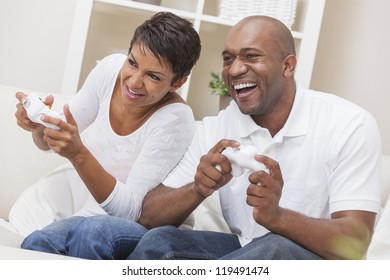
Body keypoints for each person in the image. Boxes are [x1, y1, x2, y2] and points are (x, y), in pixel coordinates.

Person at [124, 15, 382, 260]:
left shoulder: (349, 124)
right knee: (161, 241)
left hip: (312, 260)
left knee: (276, 247)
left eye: (251, 56)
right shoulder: (217, 128)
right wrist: (198, 188)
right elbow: (149, 218)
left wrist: (277, 217)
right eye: (228, 59)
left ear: (287, 65)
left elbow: (355, 243)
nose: (234, 70)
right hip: (243, 251)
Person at [14, 11, 201, 259]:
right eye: (132, 62)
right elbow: (52, 140)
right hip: (92, 218)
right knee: (37, 244)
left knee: (89, 235)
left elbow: (132, 212)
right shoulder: (109, 71)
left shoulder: (174, 119)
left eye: (153, 76)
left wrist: (79, 154)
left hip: (145, 229)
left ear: (177, 83)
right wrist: (40, 125)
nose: (134, 82)